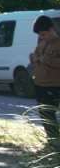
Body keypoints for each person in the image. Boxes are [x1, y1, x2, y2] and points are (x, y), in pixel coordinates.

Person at [30, 15, 60, 147]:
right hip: (39, 83)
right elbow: (35, 55)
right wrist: (34, 58)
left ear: (52, 29)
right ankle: (51, 141)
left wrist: (46, 60)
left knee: (49, 114)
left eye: (43, 34)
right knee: (43, 114)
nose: (42, 37)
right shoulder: (41, 43)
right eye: (39, 35)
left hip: (53, 84)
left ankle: (55, 142)